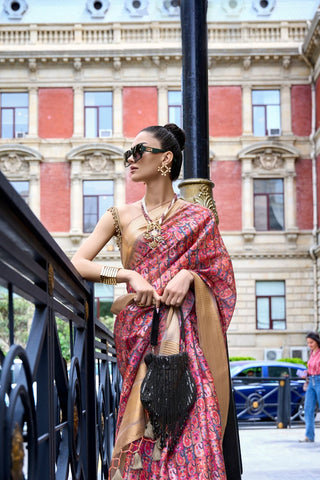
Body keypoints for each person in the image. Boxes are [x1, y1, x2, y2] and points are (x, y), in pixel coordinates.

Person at [71, 123, 236, 479]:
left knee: (196, 421)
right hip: (138, 335)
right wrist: (127, 275)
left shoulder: (199, 218)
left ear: (166, 160)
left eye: (138, 151)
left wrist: (190, 276)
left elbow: (221, 278)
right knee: (142, 429)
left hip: (186, 340)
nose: (129, 159)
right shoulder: (120, 216)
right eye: (128, 153)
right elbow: (78, 262)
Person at [299, 331, 320, 443]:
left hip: (319, 380)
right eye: (308, 343)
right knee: (308, 408)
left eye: (311, 342)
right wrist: (306, 372)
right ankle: (309, 436)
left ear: (317, 341)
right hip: (311, 381)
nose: (309, 345)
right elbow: (311, 367)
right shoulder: (312, 353)